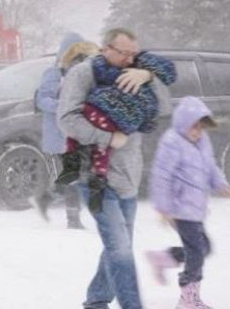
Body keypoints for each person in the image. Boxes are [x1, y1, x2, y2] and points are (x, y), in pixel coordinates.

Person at [57, 27, 172, 309]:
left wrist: (149, 75)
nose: (131, 59)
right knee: (119, 249)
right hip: (95, 175)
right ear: (105, 48)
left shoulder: (138, 71)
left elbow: (165, 108)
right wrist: (108, 137)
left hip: (128, 175)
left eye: (134, 53)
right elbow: (67, 119)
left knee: (118, 246)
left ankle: (96, 300)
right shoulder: (83, 74)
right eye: (124, 53)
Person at [56, 49, 177, 213]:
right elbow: (151, 119)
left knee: (95, 147)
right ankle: (88, 176)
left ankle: (81, 172)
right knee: (98, 149)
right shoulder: (119, 72)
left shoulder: (142, 78)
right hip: (110, 120)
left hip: (107, 120)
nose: (128, 60)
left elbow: (161, 109)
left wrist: (148, 76)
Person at [146, 96, 230, 309]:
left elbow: (210, 166)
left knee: (204, 248)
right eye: (193, 127)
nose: (197, 131)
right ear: (182, 123)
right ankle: (188, 297)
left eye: (201, 127)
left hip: (196, 208)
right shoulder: (172, 143)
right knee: (197, 252)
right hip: (180, 209)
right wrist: (164, 208)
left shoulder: (202, 141)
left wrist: (221, 184)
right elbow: (161, 176)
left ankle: (164, 258)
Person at [34, 33, 97, 229]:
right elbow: (42, 100)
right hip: (59, 133)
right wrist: (65, 106)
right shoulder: (53, 73)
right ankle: (73, 219)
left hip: (77, 132)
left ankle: (46, 197)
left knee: (77, 174)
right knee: (74, 175)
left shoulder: (82, 73)